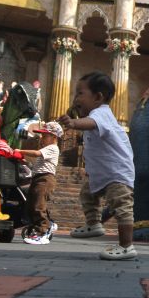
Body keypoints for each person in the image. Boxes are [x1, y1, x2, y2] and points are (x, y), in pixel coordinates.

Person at [58, 71, 137, 260]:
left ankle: (127, 246)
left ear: (98, 97)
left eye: (79, 93)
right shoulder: (95, 115)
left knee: (121, 206)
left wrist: (74, 123)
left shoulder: (101, 114)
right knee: (87, 194)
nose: (75, 98)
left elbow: (91, 123)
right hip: (102, 173)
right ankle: (94, 224)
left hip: (117, 173)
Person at [18, 121, 62, 245]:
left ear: (54, 137)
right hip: (38, 178)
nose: (42, 138)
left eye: (45, 135)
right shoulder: (46, 148)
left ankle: (43, 231)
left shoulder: (53, 148)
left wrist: (20, 151)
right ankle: (45, 224)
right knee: (32, 203)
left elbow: (36, 154)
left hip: (45, 179)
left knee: (38, 205)